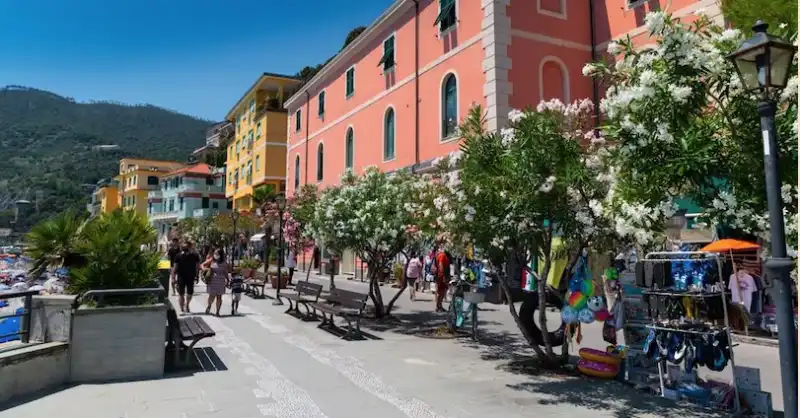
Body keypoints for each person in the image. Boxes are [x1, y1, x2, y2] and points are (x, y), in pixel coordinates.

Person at [172, 240, 200, 314]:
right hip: (182, 276)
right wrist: (173, 277)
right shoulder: (179, 255)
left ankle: (186, 305)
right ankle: (182, 308)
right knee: (182, 294)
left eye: (186, 246)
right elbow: (175, 267)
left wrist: (197, 276)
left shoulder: (194, 255)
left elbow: (197, 267)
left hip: (189, 276)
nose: (185, 247)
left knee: (189, 293)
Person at [202, 247, 229, 316]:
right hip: (212, 281)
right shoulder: (212, 260)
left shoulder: (224, 262)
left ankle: (217, 311)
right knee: (212, 296)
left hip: (220, 281)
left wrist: (228, 280)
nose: (215, 255)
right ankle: (209, 306)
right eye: (214, 253)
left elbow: (226, 272)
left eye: (217, 253)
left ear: (221, 254)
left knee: (219, 297)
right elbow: (202, 264)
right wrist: (205, 270)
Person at [435, 247, 451, 312]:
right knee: (441, 291)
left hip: (443, 275)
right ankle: (438, 306)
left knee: (443, 291)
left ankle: (440, 306)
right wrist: (443, 275)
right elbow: (440, 264)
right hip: (442, 276)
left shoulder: (444, 255)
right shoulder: (442, 255)